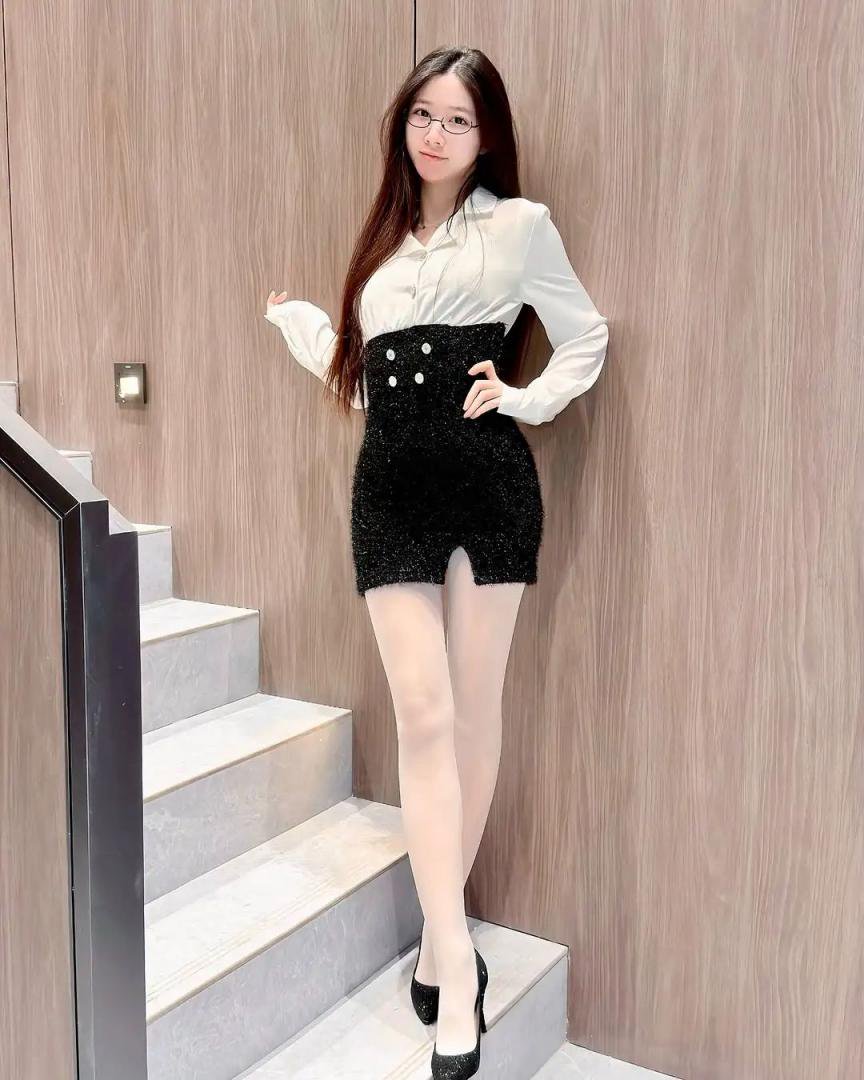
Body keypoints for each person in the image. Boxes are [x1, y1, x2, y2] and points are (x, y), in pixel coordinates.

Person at [264, 45, 608, 1080]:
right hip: (390, 492)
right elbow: (370, 388)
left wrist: (525, 397)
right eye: (424, 114)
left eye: (458, 119)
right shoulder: (380, 245)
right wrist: (308, 330)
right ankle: (456, 954)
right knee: (420, 715)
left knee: (471, 711)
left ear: (486, 134)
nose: (437, 134)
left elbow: (585, 336)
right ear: (402, 123)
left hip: (488, 483)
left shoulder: (520, 227)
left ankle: (441, 951)